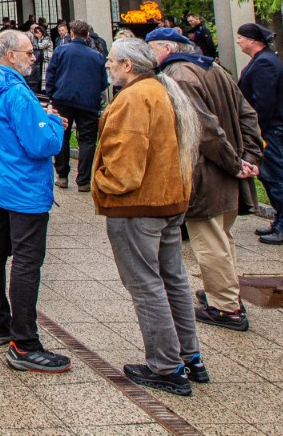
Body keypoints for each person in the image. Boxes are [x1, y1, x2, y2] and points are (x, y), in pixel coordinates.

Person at [92, 38, 208, 397]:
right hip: (168, 200)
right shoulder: (162, 89)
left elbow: (124, 165)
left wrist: (101, 182)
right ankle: (189, 357)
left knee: (146, 284)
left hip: (138, 206)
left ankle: (165, 366)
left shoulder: (134, 98)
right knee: (173, 279)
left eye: (112, 60)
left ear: (128, 65)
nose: (107, 65)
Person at [147, 28, 263, 332]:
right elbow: (248, 114)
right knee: (221, 236)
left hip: (206, 171)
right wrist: (249, 158)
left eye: (151, 49)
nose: (149, 56)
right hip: (226, 169)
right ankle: (224, 290)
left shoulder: (177, 76)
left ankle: (226, 307)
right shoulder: (214, 68)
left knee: (209, 240)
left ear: (167, 49)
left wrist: (237, 163)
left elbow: (203, 129)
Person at [0, 29, 70, 373]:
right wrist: (54, 122)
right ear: (11, 56)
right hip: (25, 188)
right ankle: (24, 343)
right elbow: (41, 144)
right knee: (27, 261)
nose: (34, 57)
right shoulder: (16, 92)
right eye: (29, 52)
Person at [235, 22, 283, 246]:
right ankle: (281, 221)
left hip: (269, 130)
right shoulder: (263, 60)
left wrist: (255, 131)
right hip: (267, 128)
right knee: (269, 176)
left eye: (241, 37)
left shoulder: (265, 63)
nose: (238, 41)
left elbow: (263, 102)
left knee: (277, 177)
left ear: (253, 40)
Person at [44, 20, 107, 193]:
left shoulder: (61, 51)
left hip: (63, 99)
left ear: (71, 33)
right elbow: (103, 82)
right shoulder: (97, 56)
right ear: (87, 35)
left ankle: (62, 175)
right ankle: (84, 180)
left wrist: (52, 94)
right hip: (88, 102)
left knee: (62, 135)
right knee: (87, 140)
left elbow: (51, 74)